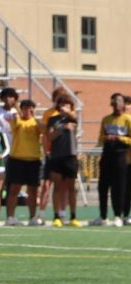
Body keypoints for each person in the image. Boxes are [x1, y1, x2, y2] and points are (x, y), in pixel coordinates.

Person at [5, 99, 45, 226]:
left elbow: (44, 130)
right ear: (22, 109)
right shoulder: (17, 120)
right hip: (17, 159)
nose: (29, 110)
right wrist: (17, 111)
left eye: (31, 108)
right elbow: (14, 123)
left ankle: (32, 217)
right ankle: (10, 217)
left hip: (33, 160)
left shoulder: (36, 123)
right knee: (14, 189)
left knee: (33, 190)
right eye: (26, 108)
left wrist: (36, 118)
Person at [94, 93, 131, 226]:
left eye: (118, 101)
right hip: (107, 155)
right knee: (102, 186)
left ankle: (118, 215)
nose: (116, 103)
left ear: (123, 104)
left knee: (119, 187)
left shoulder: (128, 119)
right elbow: (100, 138)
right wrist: (105, 138)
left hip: (121, 156)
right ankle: (103, 216)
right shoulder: (106, 119)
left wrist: (119, 138)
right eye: (114, 101)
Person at [46, 94, 82, 227]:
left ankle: (73, 216)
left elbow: (75, 117)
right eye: (62, 104)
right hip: (57, 156)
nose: (64, 107)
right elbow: (50, 136)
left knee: (71, 187)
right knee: (57, 186)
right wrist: (61, 129)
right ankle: (56, 216)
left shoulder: (73, 118)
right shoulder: (53, 119)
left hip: (70, 155)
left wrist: (69, 114)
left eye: (67, 105)